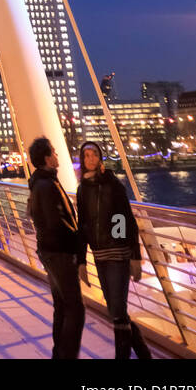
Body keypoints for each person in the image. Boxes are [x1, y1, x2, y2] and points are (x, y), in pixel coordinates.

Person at [76, 141, 152, 360]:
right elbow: (83, 226)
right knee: (116, 311)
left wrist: (133, 255)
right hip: (99, 256)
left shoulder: (113, 185)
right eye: (86, 155)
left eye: (94, 155)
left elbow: (124, 219)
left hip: (117, 255)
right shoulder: (82, 190)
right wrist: (82, 261)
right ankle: (144, 354)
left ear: (101, 158)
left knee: (117, 311)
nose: (90, 159)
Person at [27, 135, 84, 360]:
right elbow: (56, 223)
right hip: (59, 252)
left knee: (61, 306)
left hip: (49, 251)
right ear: (47, 158)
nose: (57, 155)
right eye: (54, 152)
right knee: (75, 309)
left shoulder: (41, 182)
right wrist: (79, 240)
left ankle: (58, 354)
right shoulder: (46, 185)